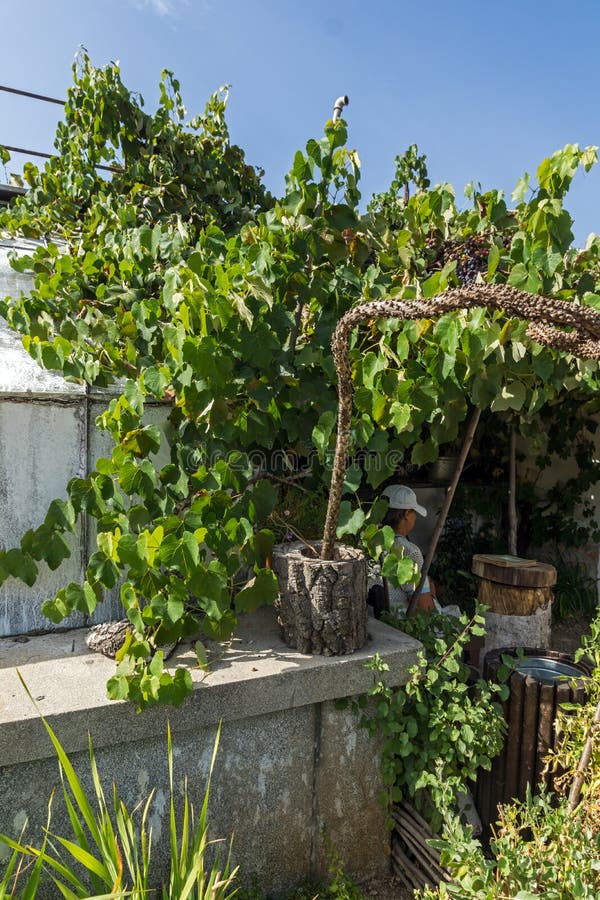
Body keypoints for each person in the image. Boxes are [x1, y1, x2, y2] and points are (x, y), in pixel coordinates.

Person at [380, 484, 436, 615]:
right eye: (414, 512)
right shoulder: (410, 551)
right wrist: (432, 595)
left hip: (373, 616)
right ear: (406, 514)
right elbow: (425, 610)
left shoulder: (367, 540)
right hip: (399, 624)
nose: (415, 517)